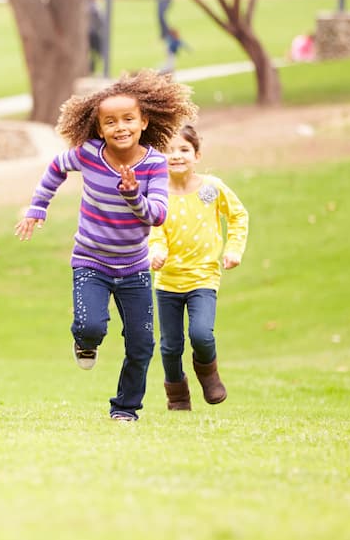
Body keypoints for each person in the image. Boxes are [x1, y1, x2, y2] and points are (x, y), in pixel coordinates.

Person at [14, 70, 197, 422]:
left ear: (144, 121)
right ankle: (84, 340)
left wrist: (132, 197)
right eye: (110, 122)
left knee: (142, 344)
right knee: (90, 327)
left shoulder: (155, 165)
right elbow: (56, 167)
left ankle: (125, 408)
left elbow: (157, 215)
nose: (120, 127)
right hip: (90, 262)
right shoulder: (88, 154)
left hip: (135, 268)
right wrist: (39, 206)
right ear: (99, 129)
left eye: (128, 119)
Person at [148, 125, 248, 410]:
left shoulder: (211, 188)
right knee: (170, 346)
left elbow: (238, 215)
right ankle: (177, 395)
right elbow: (153, 230)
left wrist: (234, 249)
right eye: (168, 150)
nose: (175, 156)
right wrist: (156, 251)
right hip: (167, 282)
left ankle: (208, 373)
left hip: (203, 278)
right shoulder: (157, 194)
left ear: (197, 155)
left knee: (201, 334)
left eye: (183, 149)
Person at [87, 0, 105, 76]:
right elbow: (100, 20)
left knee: (90, 53)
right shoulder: (95, 6)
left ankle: (91, 69)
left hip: (87, 33)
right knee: (101, 51)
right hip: (93, 33)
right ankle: (102, 70)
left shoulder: (85, 5)